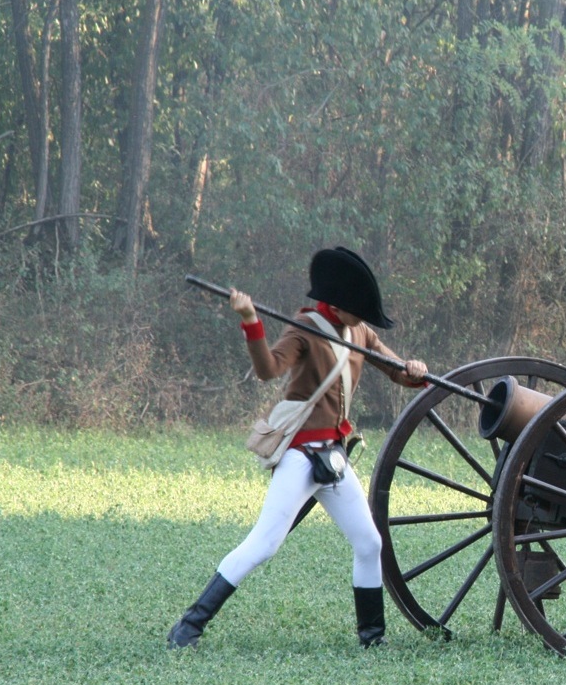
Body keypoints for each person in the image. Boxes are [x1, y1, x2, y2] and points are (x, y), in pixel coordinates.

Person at [168, 247, 428, 650]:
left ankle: (372, 639)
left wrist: (415, 369)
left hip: (335, 458)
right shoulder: (304, 327)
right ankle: (188, 627)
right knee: (264, 544)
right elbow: (267, 369)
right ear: (339, 306)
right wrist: (251, 320)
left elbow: (399, 374)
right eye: (358, 311)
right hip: (301, 455)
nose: (364, 320)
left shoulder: (361, 333)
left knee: (369, 542)